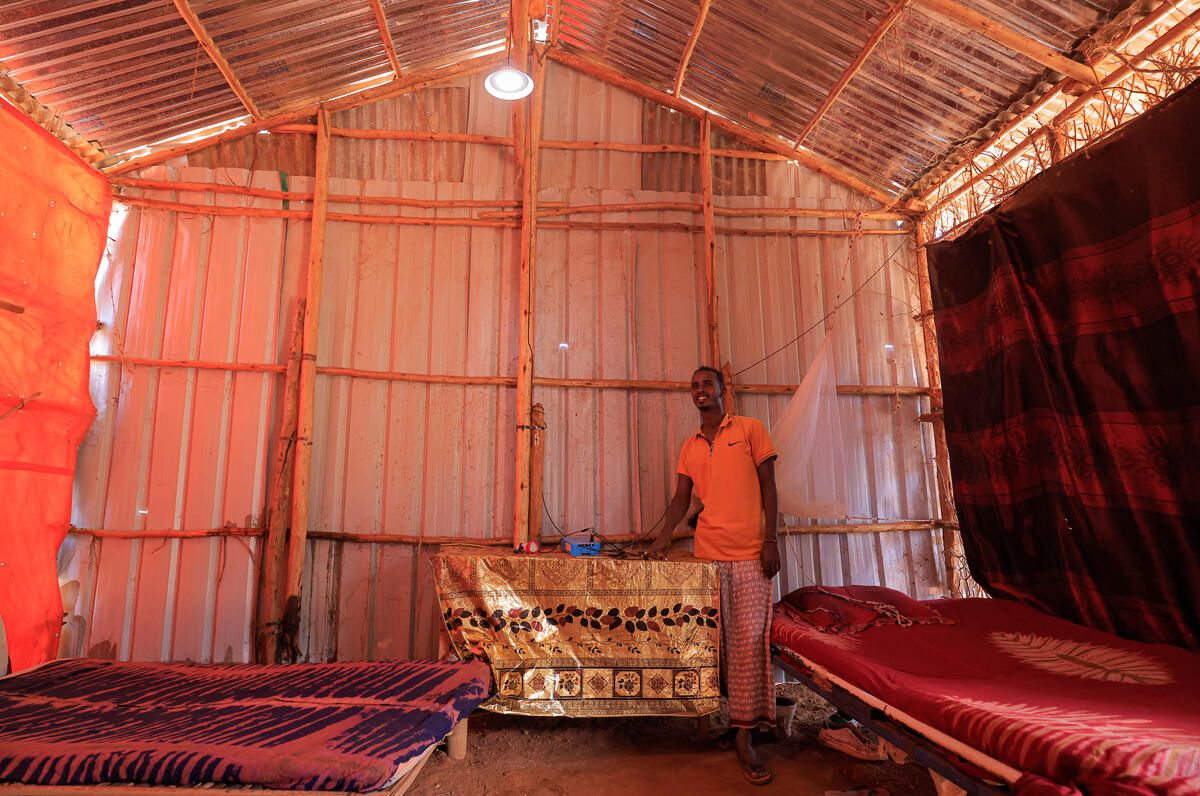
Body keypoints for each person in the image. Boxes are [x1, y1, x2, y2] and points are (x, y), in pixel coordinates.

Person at [648, 365, 779, 786]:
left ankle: (745, 737)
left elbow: (769, 487)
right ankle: (731, 723)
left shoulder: (750, 430)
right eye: (694, 386)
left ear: (723, 390)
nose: (700, 390)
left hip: (750, 556)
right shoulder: (689, 446)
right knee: (713, 647)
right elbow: (681, 498)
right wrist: (662, 539)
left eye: (707, 384)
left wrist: (770, 540)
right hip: (707, 559)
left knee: (749, 645)